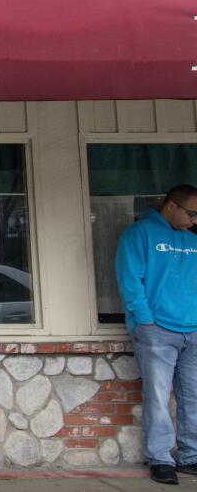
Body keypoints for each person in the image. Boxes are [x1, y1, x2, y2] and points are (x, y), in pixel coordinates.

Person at [115, 184, 197, 485]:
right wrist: (145, 320)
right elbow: (130, 279)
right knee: (159, 396)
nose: (194, 220)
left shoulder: (192, 238)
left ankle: (191, 456)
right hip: (158, 329)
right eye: (191, 213)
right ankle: (160, 457)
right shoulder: (139, 234)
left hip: (193, 328)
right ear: (171, 205)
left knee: (193, 395)